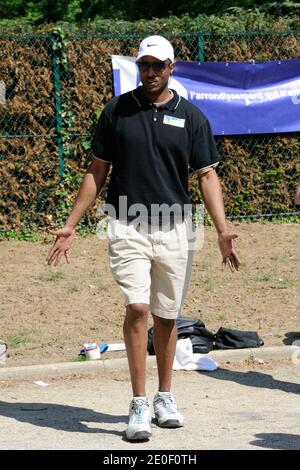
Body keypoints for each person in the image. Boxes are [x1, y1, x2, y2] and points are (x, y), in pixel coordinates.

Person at [46, 35, 240, 441]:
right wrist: (71, 224)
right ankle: (138, 402)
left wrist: (222, 230)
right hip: (126, 222)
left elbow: (207, 175)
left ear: (171, 67)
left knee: (166, 317)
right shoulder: (116, 111)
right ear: (139, 67)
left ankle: (164, 396)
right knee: (137, 308)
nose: (150, 72)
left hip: (176, 227)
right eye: (144, 65)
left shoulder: (192, 118)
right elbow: (96, 172)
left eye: (158, 65)